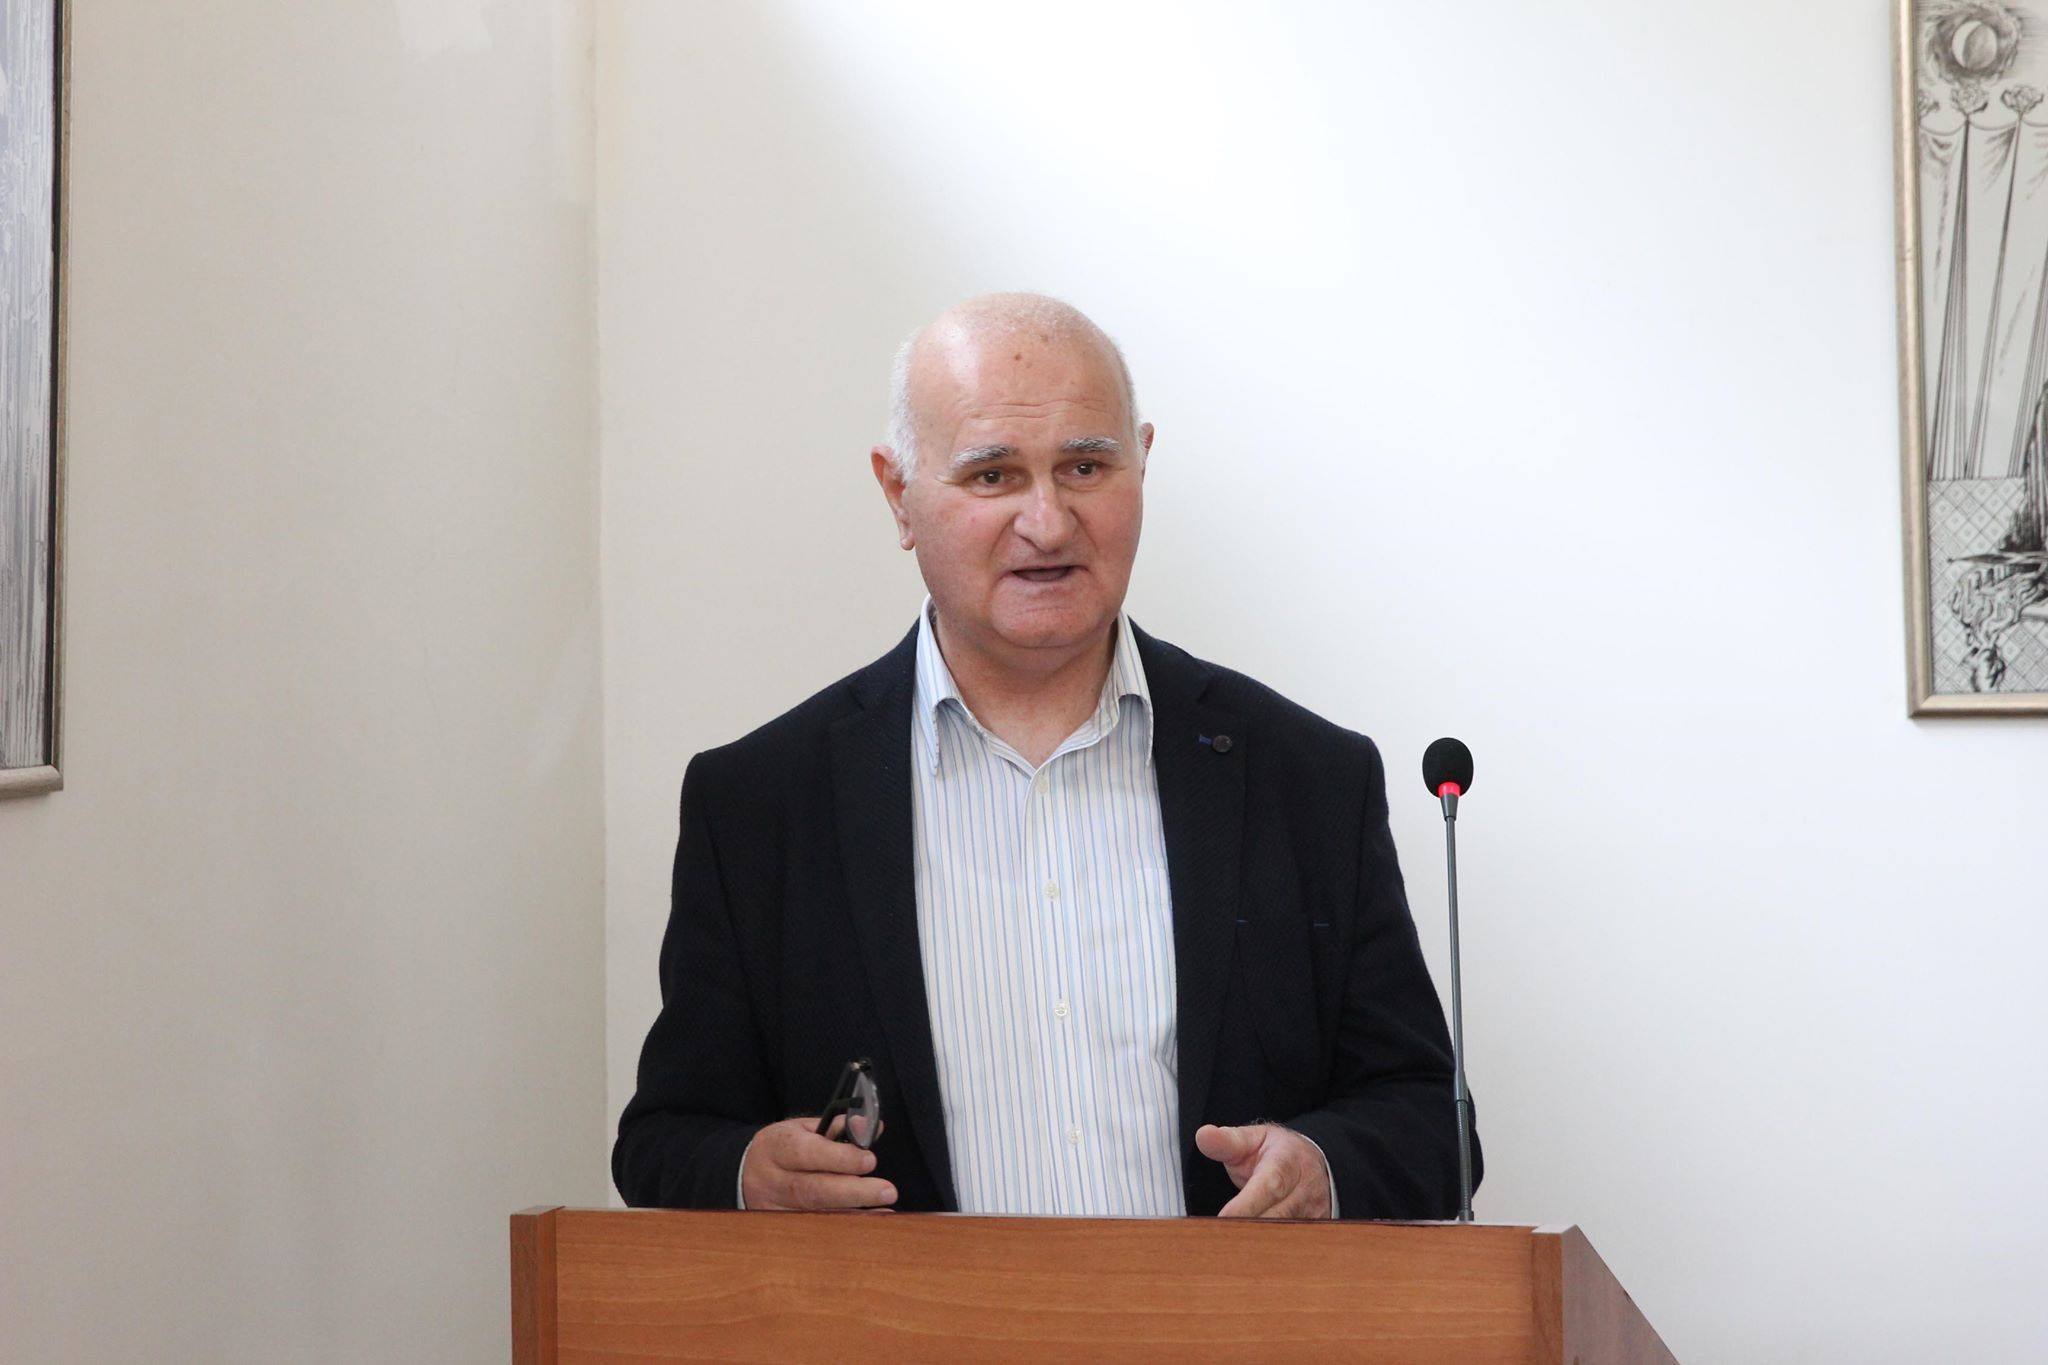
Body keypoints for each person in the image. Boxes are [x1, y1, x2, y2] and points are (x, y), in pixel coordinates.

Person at [613, 293, 1476, 1219]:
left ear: (1142, 464)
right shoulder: (761, 805)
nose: (1049, 522)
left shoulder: (1307, 778)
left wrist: (1322, 1165)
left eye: (1085, 467)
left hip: (1223, 1310)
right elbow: (665, 1141)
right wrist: (750, 1170)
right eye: (992, 476)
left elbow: (1433, 1124)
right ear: (899, 496)